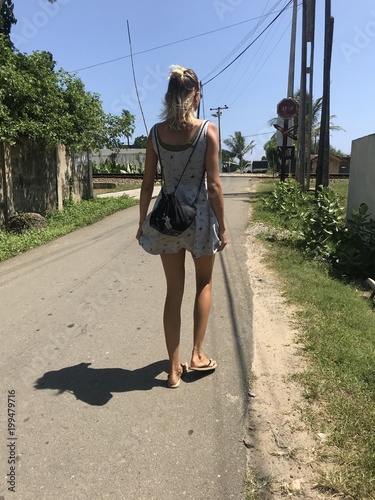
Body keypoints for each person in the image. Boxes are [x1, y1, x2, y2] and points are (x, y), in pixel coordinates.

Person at [136, 65, 227, 388]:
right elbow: (214, 186)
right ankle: (197, 354)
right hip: (200, 219)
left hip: (166, 219)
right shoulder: (209, 131)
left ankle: (174, 370)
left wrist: (141, 223)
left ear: (169, 98)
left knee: (173, 292)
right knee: (204, 283)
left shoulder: (156, 133)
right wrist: (224, 226)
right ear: (196, 97)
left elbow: (147, 184)